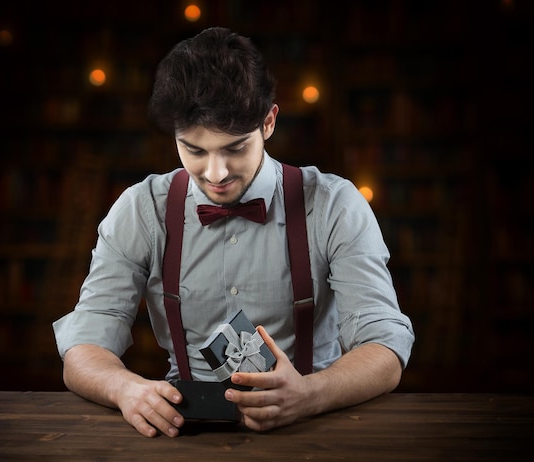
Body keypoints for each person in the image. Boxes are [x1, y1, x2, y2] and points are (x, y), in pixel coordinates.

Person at [53, 26, 414, 438]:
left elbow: (385, 346)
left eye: (235, 148)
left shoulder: (335, 204)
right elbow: (84, 342)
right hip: (183, 436)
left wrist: (310, 394)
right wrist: (125, 389)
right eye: (194, 149)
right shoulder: (141, 208)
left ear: (269, 122)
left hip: (314, 430)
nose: (216, 173)